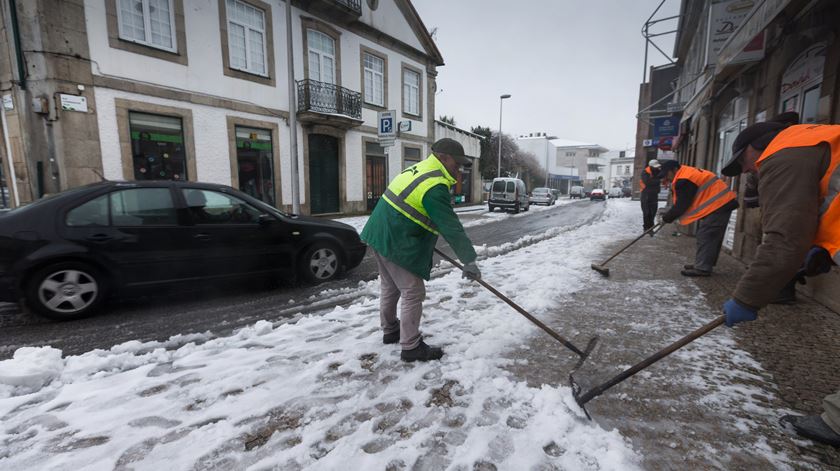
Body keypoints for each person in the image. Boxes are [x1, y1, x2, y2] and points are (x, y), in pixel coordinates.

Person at [720, 116, 840, 448]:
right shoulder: (812, 142)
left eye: (742, 161)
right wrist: (822, 246)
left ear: (755, 148)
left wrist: (745, 298)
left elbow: (783, 240)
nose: (746, 171)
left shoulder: (783, 154)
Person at [360, 138, 480, 362]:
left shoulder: (419, 169)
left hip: (379, 233)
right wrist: (469, 259)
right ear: (443, 158)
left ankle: (390, 331)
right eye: (457, 163)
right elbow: (451, 227)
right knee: (413, 291)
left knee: (390, 287)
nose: (459, 169)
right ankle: (411, 347)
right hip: (395, 240)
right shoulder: (435, 185)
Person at [657, 159, 738, 277]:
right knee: (710, 236)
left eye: (666, 174)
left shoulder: (684, 179)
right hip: (720, 204)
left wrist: (666, 218)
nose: (666, 178)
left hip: (719, 205)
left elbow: (682, 205)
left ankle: (702, 268)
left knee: (706, 235)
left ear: (674, 169)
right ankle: (703, 263)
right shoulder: (686, 173)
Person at [639, 159, 662, 234]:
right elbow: (648, 182)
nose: (657, 168)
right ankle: (646, 228)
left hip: (654, 195)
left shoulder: (657, 171)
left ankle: (651, 228)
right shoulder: (645, 172)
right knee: (647, 213)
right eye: (655, 167)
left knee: (653, 212)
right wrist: (659, 181)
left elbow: (661, 177)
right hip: (646, 195)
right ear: (651, 166)